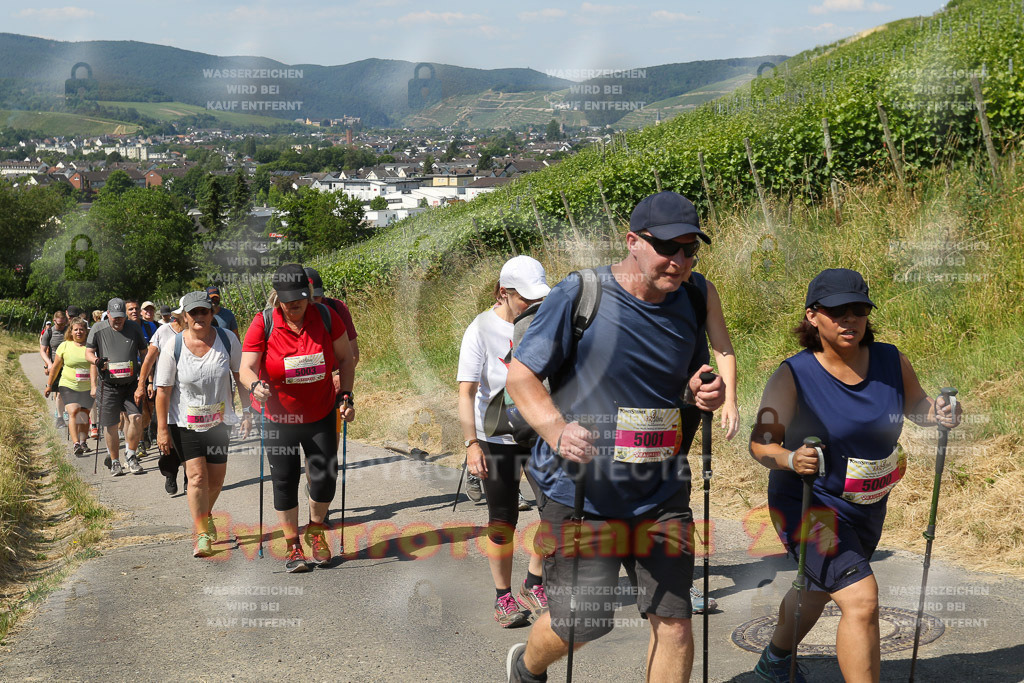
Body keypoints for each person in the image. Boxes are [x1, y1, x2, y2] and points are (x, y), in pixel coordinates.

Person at [503, 191, 725, 682]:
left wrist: (700, 391)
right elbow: (520, 377)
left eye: (691, 250)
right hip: (581, 491)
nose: (680, 261)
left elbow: (690, 377)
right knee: (582, 624)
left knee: (675, 624)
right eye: (669, 248)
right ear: (633, 242)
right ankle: (526, 666)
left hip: (660, 490)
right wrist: (557, 430)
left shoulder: (690, 297)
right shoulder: (581, 293)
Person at [748, 268, 962, 683]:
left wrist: (938, 414)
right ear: (813, 316)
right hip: (809, 504)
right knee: (862, 600)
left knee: (815, 591)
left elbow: (916, 406)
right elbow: (761, 444)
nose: (850, 319)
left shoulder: (890, 359)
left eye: (859, 309)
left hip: (866, 504)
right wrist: (792, 459)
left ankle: (774, 661)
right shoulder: (793, 375)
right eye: (837, 311)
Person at [239, 264, 356, 572]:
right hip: (279, 419)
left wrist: (346, 394)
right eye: (288, 304)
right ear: (277, 299)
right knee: (285, 480)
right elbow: (246, 367)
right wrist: (254, 385)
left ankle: (316, 533)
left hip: (319, 414)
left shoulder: (327, 318)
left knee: (324, 481)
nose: (294, 309)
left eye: (300, 304)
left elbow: (345, 358)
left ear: (308, 297)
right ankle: (293, 547)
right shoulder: (263, 323)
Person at [458, 255, 551, 627]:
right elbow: (467, 392)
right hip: (495, 438)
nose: (535, 306)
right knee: (503, 519)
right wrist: (471, 445)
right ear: (504, 293)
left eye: (538, 298)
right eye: (526, 299)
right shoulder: (480, 329)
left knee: (556, 512)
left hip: (541, 433)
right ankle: (503, 597)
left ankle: (535, 581)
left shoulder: (545, 323)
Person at [155, 291, 249, 558]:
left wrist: (248, 411)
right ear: (184, 316)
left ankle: (205, 515)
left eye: (204, 312)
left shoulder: (227, 340)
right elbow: (162, 391)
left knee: (216, 481)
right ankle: (201, 533)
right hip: (185, 423)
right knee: (196, 477)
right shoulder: (173, 345)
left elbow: (240, 374)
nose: (199, 317)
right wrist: (162, 430)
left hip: (219, 422)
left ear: (212, 313)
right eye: (193, 313)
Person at [85, 298, 149, 476]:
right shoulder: (98, 329)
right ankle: (114, 461)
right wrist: (97, 361)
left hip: (131, 383)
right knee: (111, 425)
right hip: (108, 384)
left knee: (136, 418)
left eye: (121, 317)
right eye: (115, 317)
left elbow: (145, 353)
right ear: (108, 314)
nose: (118, 321)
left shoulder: (134, 328)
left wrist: (146, 379)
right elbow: (88, 353)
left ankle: (131, 455)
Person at [138, 298, 190, 495]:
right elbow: (149, 358)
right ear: (180, 316)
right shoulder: (163, 331)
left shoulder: (197, 332)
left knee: (187, 438)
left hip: (187, 394)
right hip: (165, 392)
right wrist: (143, 383)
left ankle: (189, 477)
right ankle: (170, 473)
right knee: (167, 437)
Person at [44, 317, 94, 456]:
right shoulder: (64, 346)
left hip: (87, 386)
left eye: (81, 329)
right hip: (68, 384)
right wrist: (49, 385)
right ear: (70, 331)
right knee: (74, 411)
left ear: (86, 331)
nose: (79, 332)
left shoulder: (91, 346)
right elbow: (55, 367)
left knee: (84, 415)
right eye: (76, 329)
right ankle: (76, 443)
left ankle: (83, 441)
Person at [304, 267, 360, 367]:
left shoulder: (337, 308)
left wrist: (339, 376)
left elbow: (353, 353)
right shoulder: (293, 316)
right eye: (309, 299)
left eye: (316, 297)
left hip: (335, 370)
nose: (312, 303)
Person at [40, 309, 69, 428]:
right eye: (59, 324)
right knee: (60, 393)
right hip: (56, 367)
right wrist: (48, 364)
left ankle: (70, 416)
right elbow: (42, 350)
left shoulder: (69, 331)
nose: (61, 326)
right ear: (54, 321)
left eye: (63, 324)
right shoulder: (49, 332)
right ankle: (60, 418)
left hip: (69, 366)